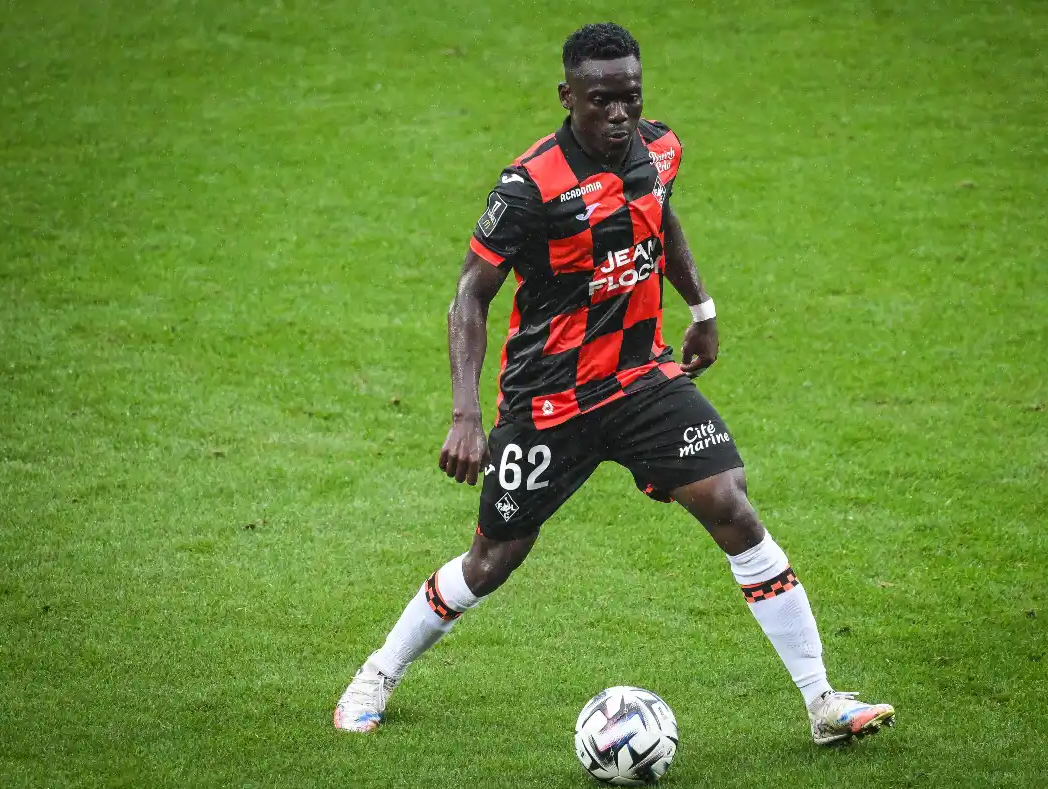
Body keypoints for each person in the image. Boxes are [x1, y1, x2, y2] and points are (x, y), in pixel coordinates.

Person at [335, 21, 895, 746]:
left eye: (630, 96)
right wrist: (465, 415)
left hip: (641, 380)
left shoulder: (660, 149)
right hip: (548, 401)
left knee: (731, 505)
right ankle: (377, 673)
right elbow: (469, 295)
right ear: (567, 96)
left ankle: (822, 702)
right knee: (492, 559)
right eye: (601, 99)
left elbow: (662, 218)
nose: (619, 113)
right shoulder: (528, 187)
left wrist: (702, 310)